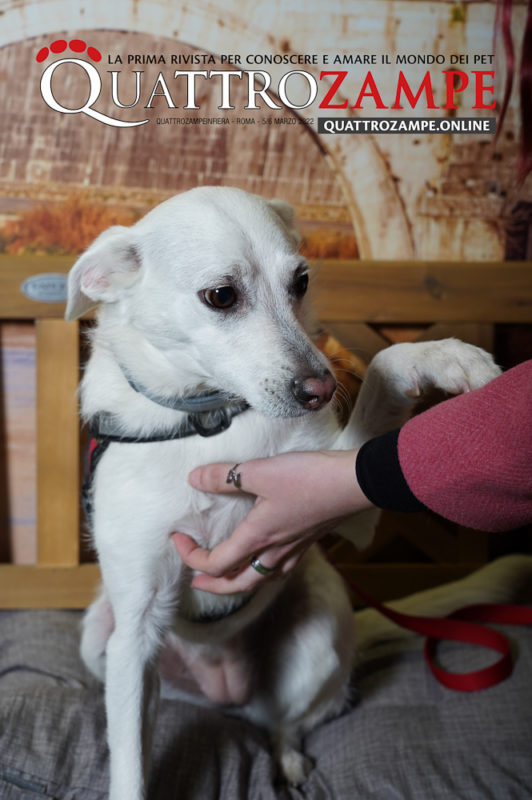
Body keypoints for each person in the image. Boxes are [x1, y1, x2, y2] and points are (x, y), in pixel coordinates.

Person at [172, 359, 532, 594]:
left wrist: (355, 481)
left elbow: (354, 513)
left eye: (299, 284)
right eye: (222, 297)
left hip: (294, 634)